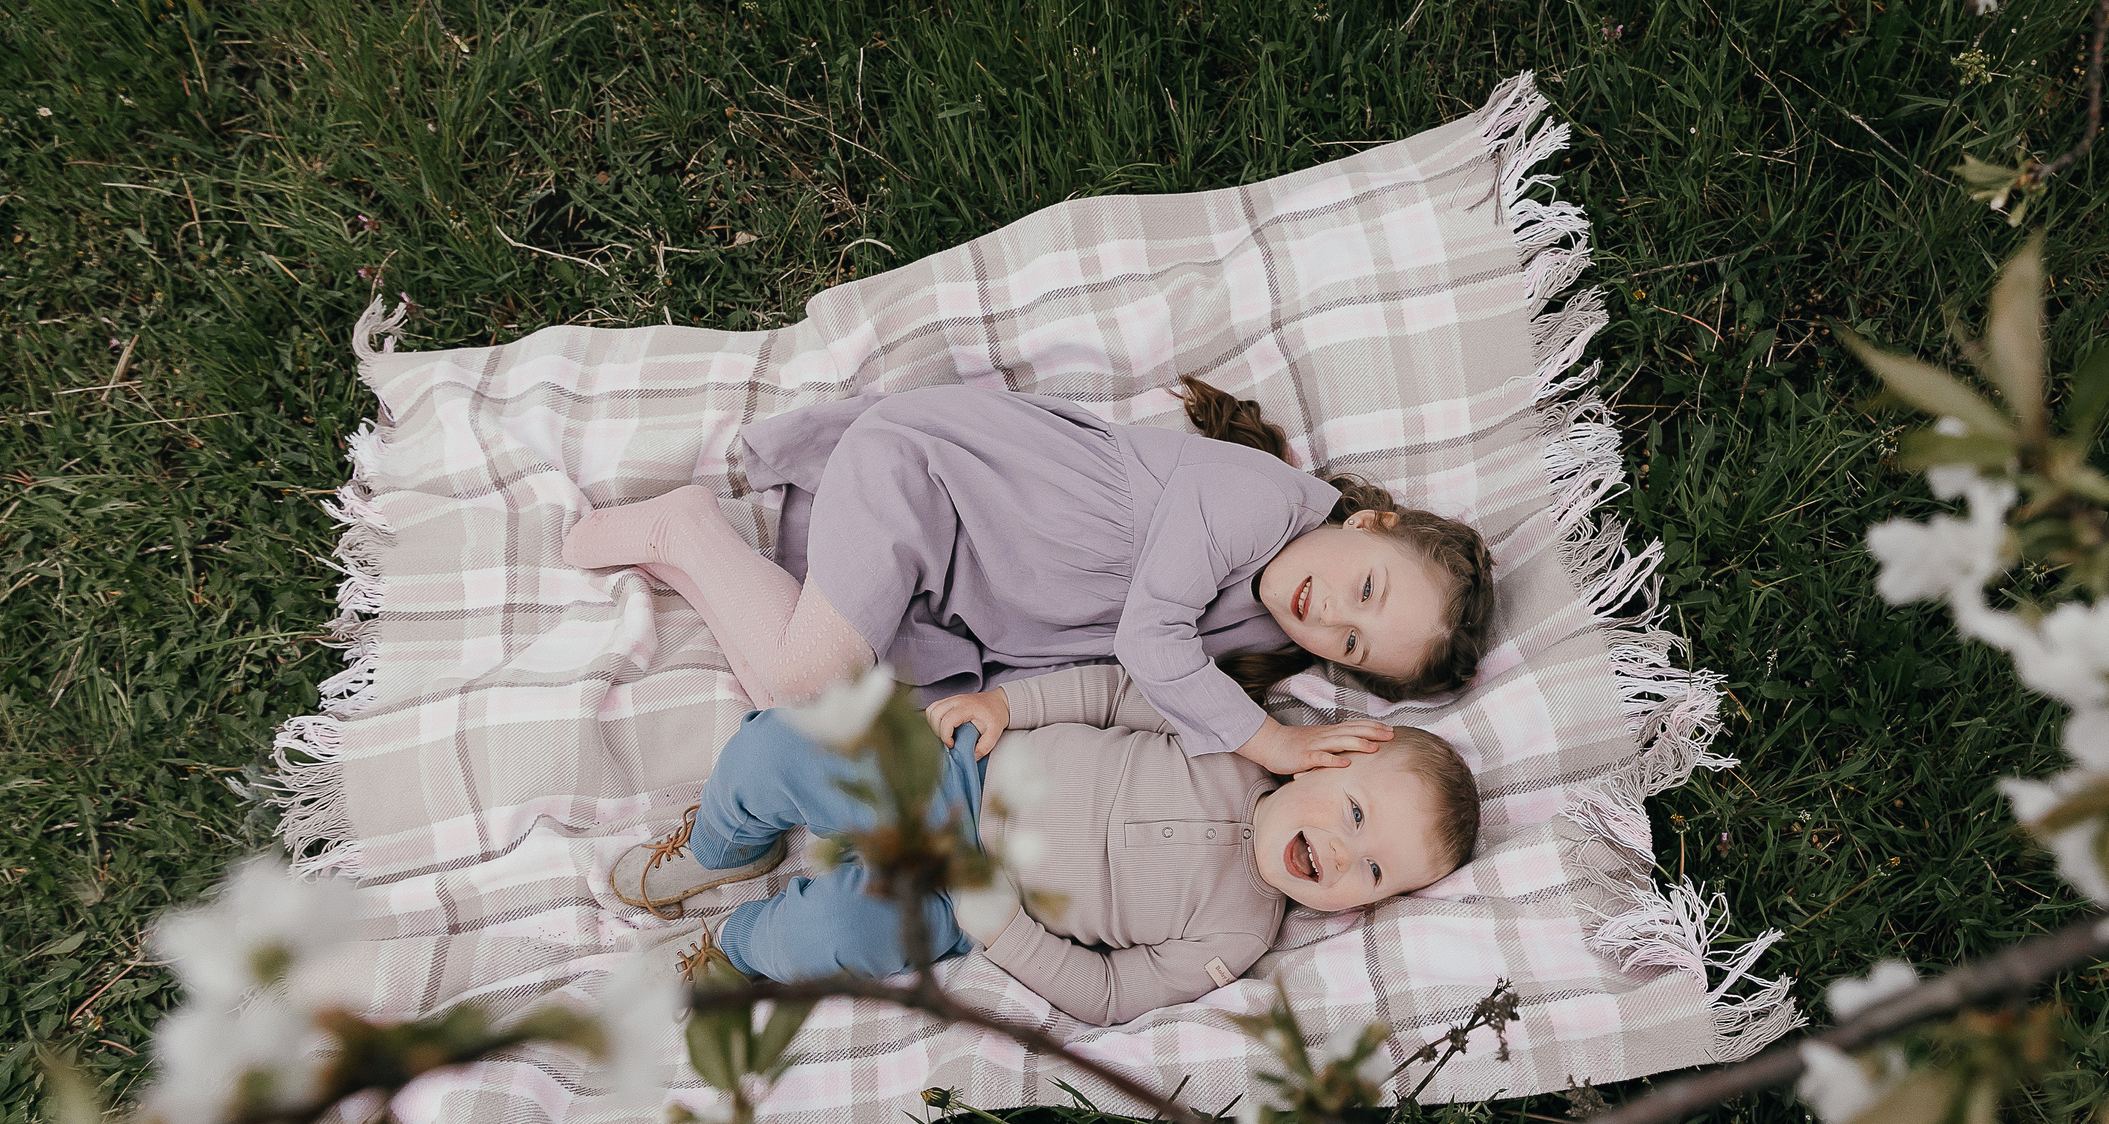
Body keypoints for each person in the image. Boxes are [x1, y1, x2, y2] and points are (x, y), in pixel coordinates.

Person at [561, 378, 1495, 777]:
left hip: (957, 585)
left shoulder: (1268, 627)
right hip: (928, 482)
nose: (1330, 615)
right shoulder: (1259, 499)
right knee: (807, 678)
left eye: (1352, 644)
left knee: (801, 708)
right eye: (1365, 588)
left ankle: (686, 558)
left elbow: (1130, 687)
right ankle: (687, 525)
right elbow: (1147, 641)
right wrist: (1272, 746)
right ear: (1367, 520)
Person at [614, 663, 1481, 1028]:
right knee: (773, 751)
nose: (1338, 851)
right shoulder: (1233, 736)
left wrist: (1002, 927)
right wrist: (1008, 708)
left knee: (833, 939)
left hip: (958, 894)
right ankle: (729, 846)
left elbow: (1107, 991)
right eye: (1356, 815)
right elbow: (1110, 692)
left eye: (1372, 873)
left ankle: (737, 943)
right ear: (1333, 753)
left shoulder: (1238, 934)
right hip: (955, 773)